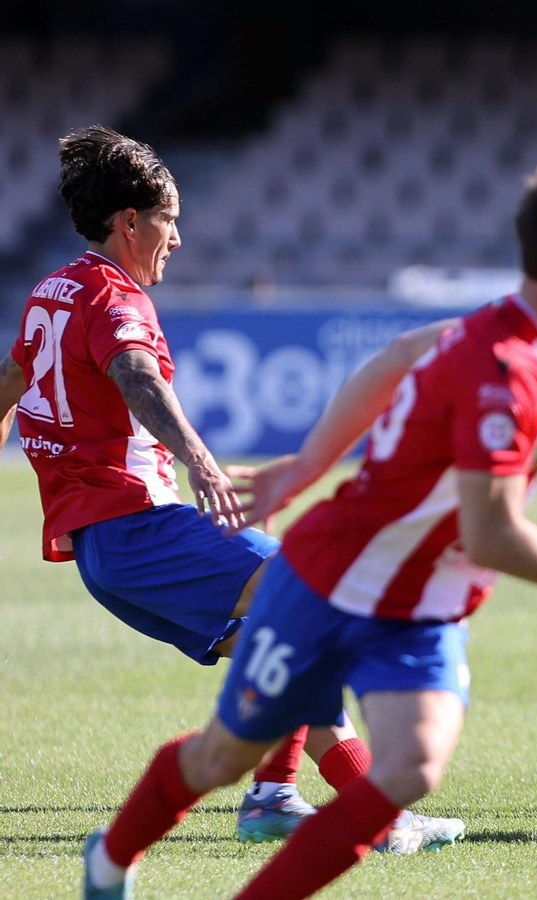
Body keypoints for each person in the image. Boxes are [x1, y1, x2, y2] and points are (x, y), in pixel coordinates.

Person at [81, 156, 537, 900]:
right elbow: (492, 534)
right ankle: (109, 860)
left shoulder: (522, 332)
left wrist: (303, 467)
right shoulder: (510, 374)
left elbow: (395, 358)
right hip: (330, 581)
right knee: (220, 758)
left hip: (419, 603)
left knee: (412, 766)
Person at [0, 126, 459, 849]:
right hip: (136, 525)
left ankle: (319, 803)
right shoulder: (115, 298)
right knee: (312, 588)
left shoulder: (47, 294)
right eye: (169, 219)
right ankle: (291, 798)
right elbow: (136, 375)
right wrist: (201, 460)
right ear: (129, 222)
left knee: (289, 646)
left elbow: (10, 380)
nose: (177, 238)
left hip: (106, 553)